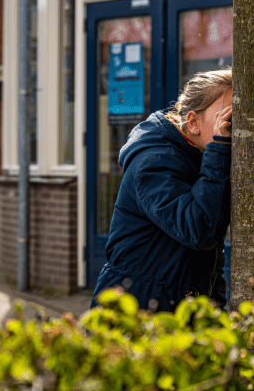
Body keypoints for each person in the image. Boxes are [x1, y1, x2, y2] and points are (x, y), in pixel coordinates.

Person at [90, 69, 233, 312]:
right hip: (135, 308)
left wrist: (215, 307)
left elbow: (211, 253)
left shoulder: (203, 159)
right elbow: (198, 230)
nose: (231, 126)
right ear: (192, 122)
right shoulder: (154, 163)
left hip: (175, 309)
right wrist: (219, 150)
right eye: (226, 117)